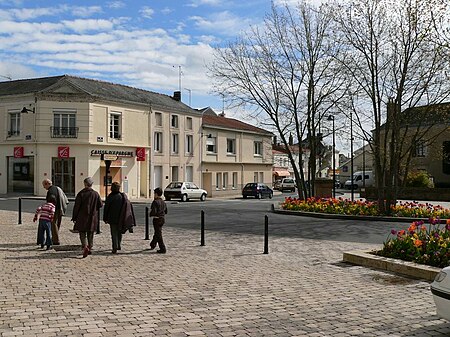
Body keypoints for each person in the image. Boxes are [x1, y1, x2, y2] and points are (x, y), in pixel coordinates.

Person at [71, 177, 102, 258]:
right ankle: (90, 247)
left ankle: (84, 246)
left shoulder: (81, 193)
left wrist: (74, 217)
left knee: (82, 233)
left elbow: (76, 207)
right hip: (92, 217)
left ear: (85, 184)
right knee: (90, 233)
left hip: (82, 216)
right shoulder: (95, 194)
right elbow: (100, 204)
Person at [103, 182, 136, 254]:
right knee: (119, 232)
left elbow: (106, 208)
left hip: (112, 217)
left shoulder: (110, 197)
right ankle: (119, 245)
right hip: (121, 217)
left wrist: (105, 218)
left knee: (113, 233)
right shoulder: (122, 196)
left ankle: (114, 247)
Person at [42, 179, 69, 245]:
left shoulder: (51, 191)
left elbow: (52, 199)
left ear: (47, 184)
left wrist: (50, 209)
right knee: (57, 224)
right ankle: (54, 238)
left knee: (53, 224)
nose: (44, 187)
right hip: (60, 208)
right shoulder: (56, 188)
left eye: (44, 185)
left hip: (55, 209)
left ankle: (55, 240)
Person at [149, 187, 168, 254]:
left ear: (156, 194)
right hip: (162, 218)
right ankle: (153, 244)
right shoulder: (163, 202)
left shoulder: (155, 202)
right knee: (157, 232)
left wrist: (151, 214)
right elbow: (166, 211)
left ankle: (162, 248)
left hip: (157, 219)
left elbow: (154, 211)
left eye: (154, 193)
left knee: (158, 234)